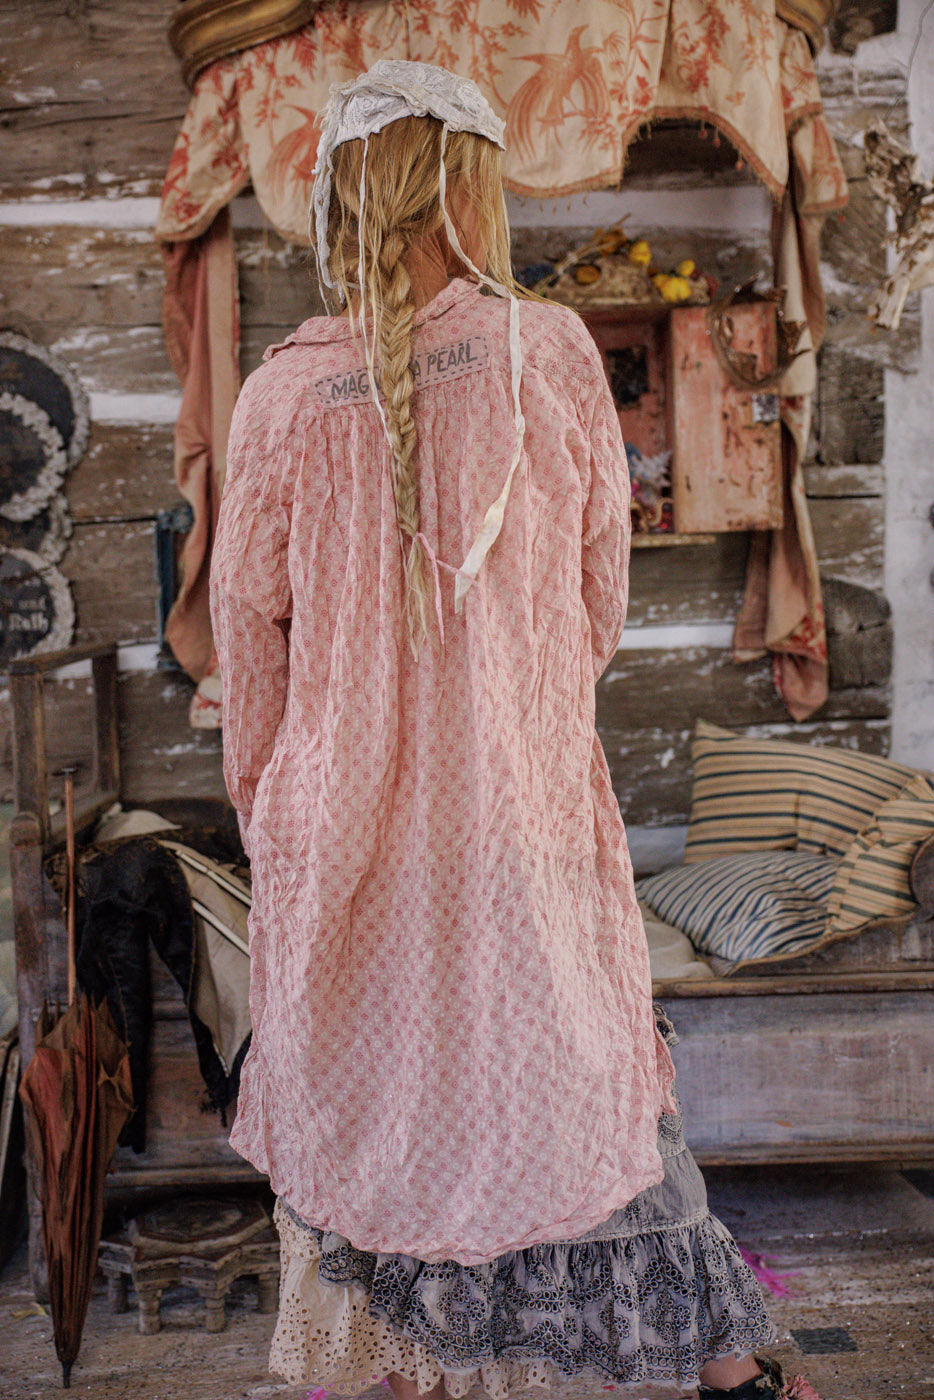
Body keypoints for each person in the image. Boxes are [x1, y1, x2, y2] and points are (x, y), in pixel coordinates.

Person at [209, 59, 821, 1400]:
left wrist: (283, 809)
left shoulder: (275, 403)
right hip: (510, 807)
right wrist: (501, 714)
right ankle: (727, 1374)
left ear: (343, 203)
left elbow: (246, 651)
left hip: (345, 827)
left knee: (381, 1104)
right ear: (466, 187)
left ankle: (399, 1368)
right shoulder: (541, 355)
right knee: (583, 1085)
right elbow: (595, 606)